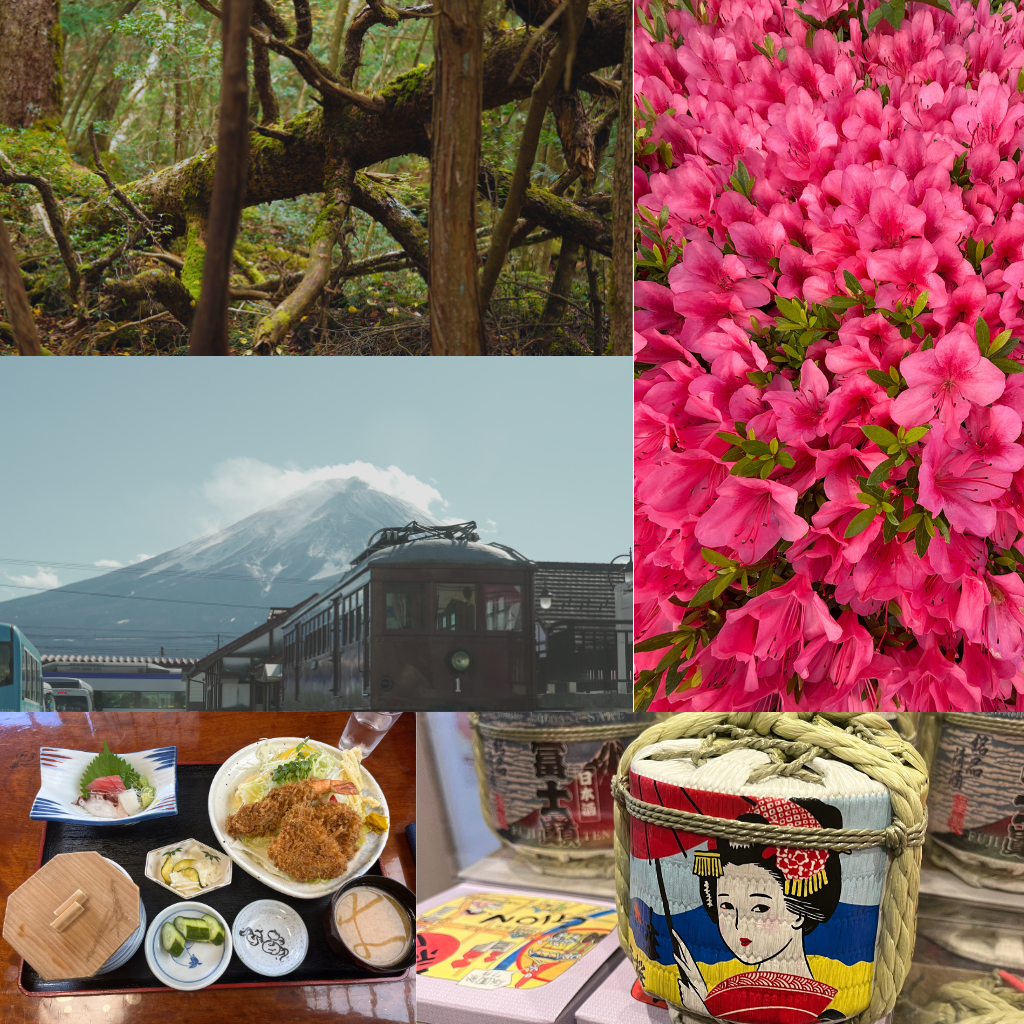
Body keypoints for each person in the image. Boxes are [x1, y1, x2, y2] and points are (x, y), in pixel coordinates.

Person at [670, 796, 846, 1024]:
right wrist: (704, 1003)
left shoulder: (820, 1008)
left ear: (799, 910)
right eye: (726, 905)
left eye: (760, 907)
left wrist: (706, 1007)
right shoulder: (733, 990)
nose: (739, 924)